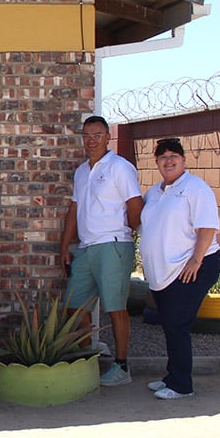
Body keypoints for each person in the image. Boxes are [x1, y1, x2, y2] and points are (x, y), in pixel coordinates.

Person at [59, 116, 143, 387]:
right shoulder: (82, 171)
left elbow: (134, 204)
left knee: (115, 308)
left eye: (97, 134)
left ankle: (122, 367)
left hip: (113, 245)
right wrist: (65, 245)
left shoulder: (120, 168)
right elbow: (74, 209)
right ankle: (88, 357)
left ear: (108, 137)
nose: (91, 140)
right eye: (87, 135)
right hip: (85, 248)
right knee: (74, 305)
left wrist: (127, 232)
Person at [139, 138, 220, 400]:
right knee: (170, 324)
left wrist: (195, 260)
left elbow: (208, 227)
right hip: (166, 273)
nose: (169, 160)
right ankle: (171, 376)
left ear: (184, 160)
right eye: (163, 156)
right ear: (157, 163)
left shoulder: (196, 188)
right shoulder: (154, 192)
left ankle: (182, 385)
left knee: (177, 324)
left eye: (174, 155)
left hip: (193, 266)